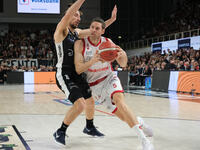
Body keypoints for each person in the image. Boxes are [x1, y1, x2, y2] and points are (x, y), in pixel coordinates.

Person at [74, 17, 155, 150]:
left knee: (120, 102)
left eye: (97, 28)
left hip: (109, 77)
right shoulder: (81, 44)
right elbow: (79, 69)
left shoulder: (108, 43)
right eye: (92, 27)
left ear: (102, 31)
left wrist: (122, 55)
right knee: (123, 117)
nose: (93, 30)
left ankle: (143, 140)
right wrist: (93, 60)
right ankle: (139, 121)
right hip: (94, 86)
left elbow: (123, 64)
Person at [53, 0, 117, 145]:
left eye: (79, 16)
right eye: (75, 15)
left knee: (90, 100)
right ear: (68, 16)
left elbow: (96, 30)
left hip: (77, 72)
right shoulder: (61, 30)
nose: (78, 18)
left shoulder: (77, 33)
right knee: (80, 104)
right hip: (64, 73)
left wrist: (111, 20)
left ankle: (89, 127)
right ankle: (61, 131)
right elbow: (68, 14)